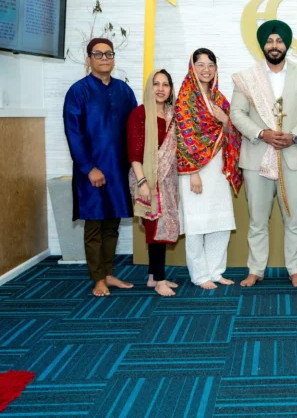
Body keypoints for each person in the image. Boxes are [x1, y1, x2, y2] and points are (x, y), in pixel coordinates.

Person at [230, 20, 297, 287]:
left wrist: (294, 136)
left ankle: (295, 269)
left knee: (294, 218)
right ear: (262, 45)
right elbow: (237, 114)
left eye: (279, 41)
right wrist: (262, 133)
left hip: (292, 156)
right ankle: (255, 269)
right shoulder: (247, 77)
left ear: (286, 44)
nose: (274, 46)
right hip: (258, 155)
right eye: (269, 41)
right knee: (257, 219)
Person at [63, 38, 137, 297]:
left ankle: (108, 273)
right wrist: (88, 168)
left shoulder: (124, 91)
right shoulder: (78, 91)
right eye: (98, 54)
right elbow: (73, 134)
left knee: (112, 225)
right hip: (91, 172)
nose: (104, 58)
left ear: (114, 58)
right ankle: (98, 280)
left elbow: (134, 129)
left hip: (118, 170)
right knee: (94, 226)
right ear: (88, 59)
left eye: (109, 54)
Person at [176, 49, 243, 290]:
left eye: (210, 64)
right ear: (192, 67)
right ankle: (199, 274)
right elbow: (183, 137)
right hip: (194, 171)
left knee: (220, 221)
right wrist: (192, 172)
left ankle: (216, 271)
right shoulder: (185, 98)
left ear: (216, 68)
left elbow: (232, 135)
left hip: (218, 168)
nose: (206, 69)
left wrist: (225, 121)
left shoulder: (219, 99)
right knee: (196, 224)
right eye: (200, 64)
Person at [127, 69, 181, 296]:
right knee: (154, 228)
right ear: (149, 88)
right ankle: (159, 279)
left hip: (168, 180)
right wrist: (142, 182)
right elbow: (134, 153)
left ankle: (152, 276)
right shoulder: (140, 114)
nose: (160, 89)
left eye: (165, 85)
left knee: (158, 227)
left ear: (170, 89)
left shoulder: (173, 114)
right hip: (146, 178)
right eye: (156, 84)